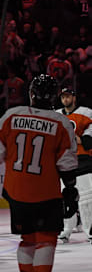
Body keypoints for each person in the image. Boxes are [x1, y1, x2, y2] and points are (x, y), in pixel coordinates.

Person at [0, 75, 78, 272]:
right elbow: (67, 164)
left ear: (31, 93)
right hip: (46, 193)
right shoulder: (61, 122)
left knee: (27, 239)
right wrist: (70, 189)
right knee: (46, 239)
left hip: (16, 192)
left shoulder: (12, 115)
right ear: (54, 97)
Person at [56, 87, 92, 243]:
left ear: (74, 98)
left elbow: (88, 141)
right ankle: (65, 231)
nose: (65, 99)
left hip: (84, 161)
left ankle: (90, 231)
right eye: (63, 97)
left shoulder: (87, 113)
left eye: (68, 96)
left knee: (86, 200)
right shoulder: (55, 115)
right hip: (63, 162)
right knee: (66, 199)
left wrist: (73, 139)